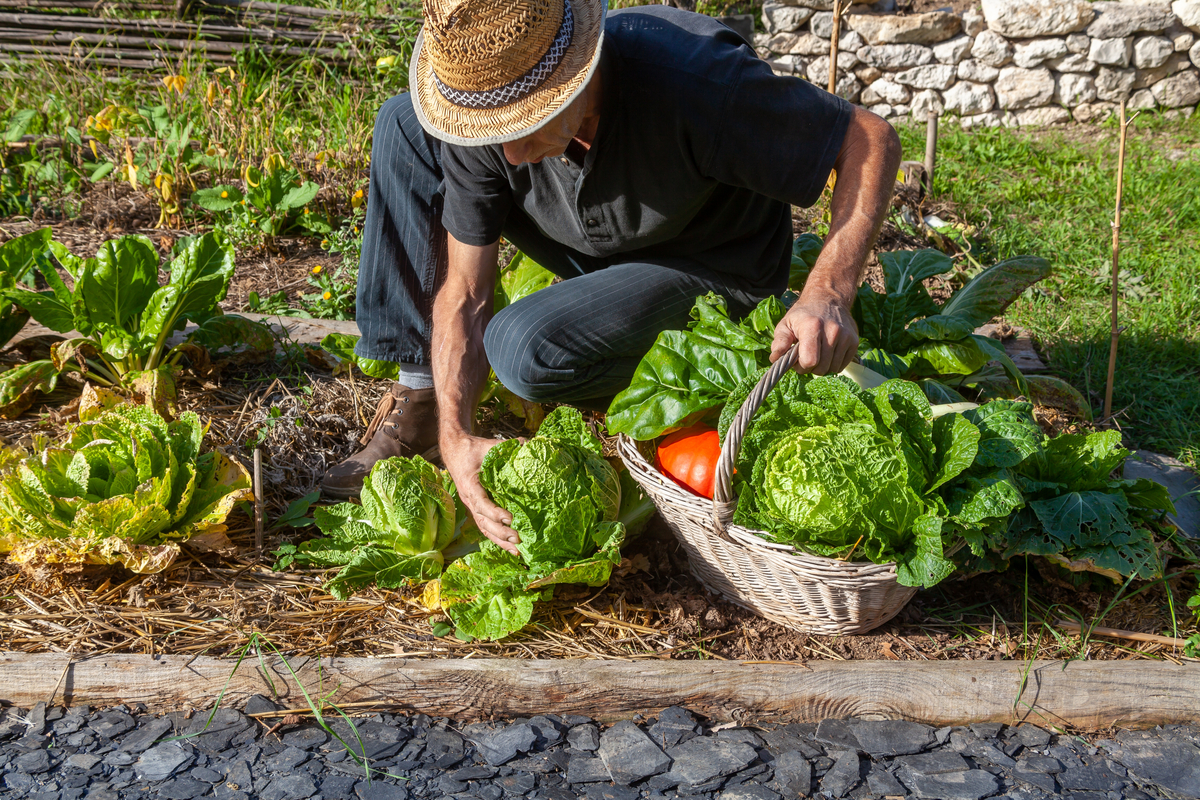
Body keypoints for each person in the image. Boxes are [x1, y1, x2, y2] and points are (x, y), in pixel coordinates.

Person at [320, 0, 902, 554]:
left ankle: (710, 381)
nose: (513, 157)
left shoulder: (697, 82)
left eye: (525, 127)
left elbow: (869, 138)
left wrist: (827, 293)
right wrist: (455, 432)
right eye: (495, 134)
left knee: (522, 349)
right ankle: (421, 403)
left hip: (709, 268)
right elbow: (468, 291)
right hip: (591, 242)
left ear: (577, 76)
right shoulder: (489, 116)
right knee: (403, 122)